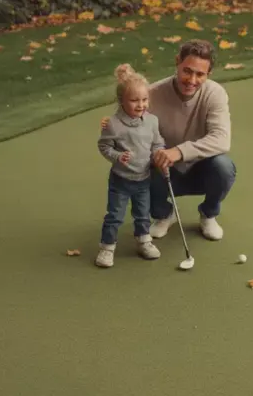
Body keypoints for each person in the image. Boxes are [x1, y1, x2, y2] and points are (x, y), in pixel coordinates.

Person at [102, 40, 236, 241]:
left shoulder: (215, 93)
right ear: (177, 63)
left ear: (208, 74)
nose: (192, 80)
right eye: (187, 71)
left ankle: (208, 214)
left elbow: (221, 140)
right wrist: (113, 125)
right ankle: (164, 214)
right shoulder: (152, 94)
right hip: (163, 171)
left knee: (224, 167)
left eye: (200, 74)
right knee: (141, 165)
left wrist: (179, 152)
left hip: (201, 169)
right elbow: (128, 125)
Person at [95, 63, 166, 268]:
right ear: (121, 101)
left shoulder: (152, 121)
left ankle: (144, 240)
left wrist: (159, 154)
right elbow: (104, 145)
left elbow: (157, 142)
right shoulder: (113, 124)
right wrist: (117, 156)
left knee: (142, 214)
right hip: (121, 180)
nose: (140, 104)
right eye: (134, 100)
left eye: (144, 100)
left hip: (143, 178)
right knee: (115, 215)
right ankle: (107, 247)